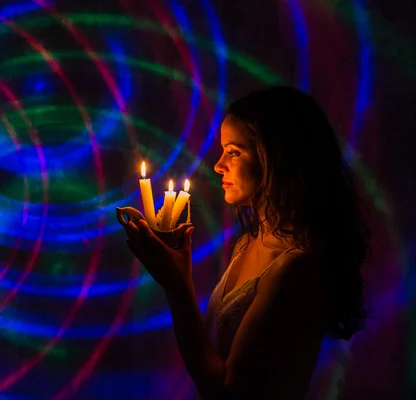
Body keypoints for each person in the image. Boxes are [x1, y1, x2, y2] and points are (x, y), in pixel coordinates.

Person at [122, 86, 371, 399]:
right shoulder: (250, 242)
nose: (218, 165)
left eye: (234, 152)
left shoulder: (298, 266)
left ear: (275, 160)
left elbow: (228, 391)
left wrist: (177, 286)